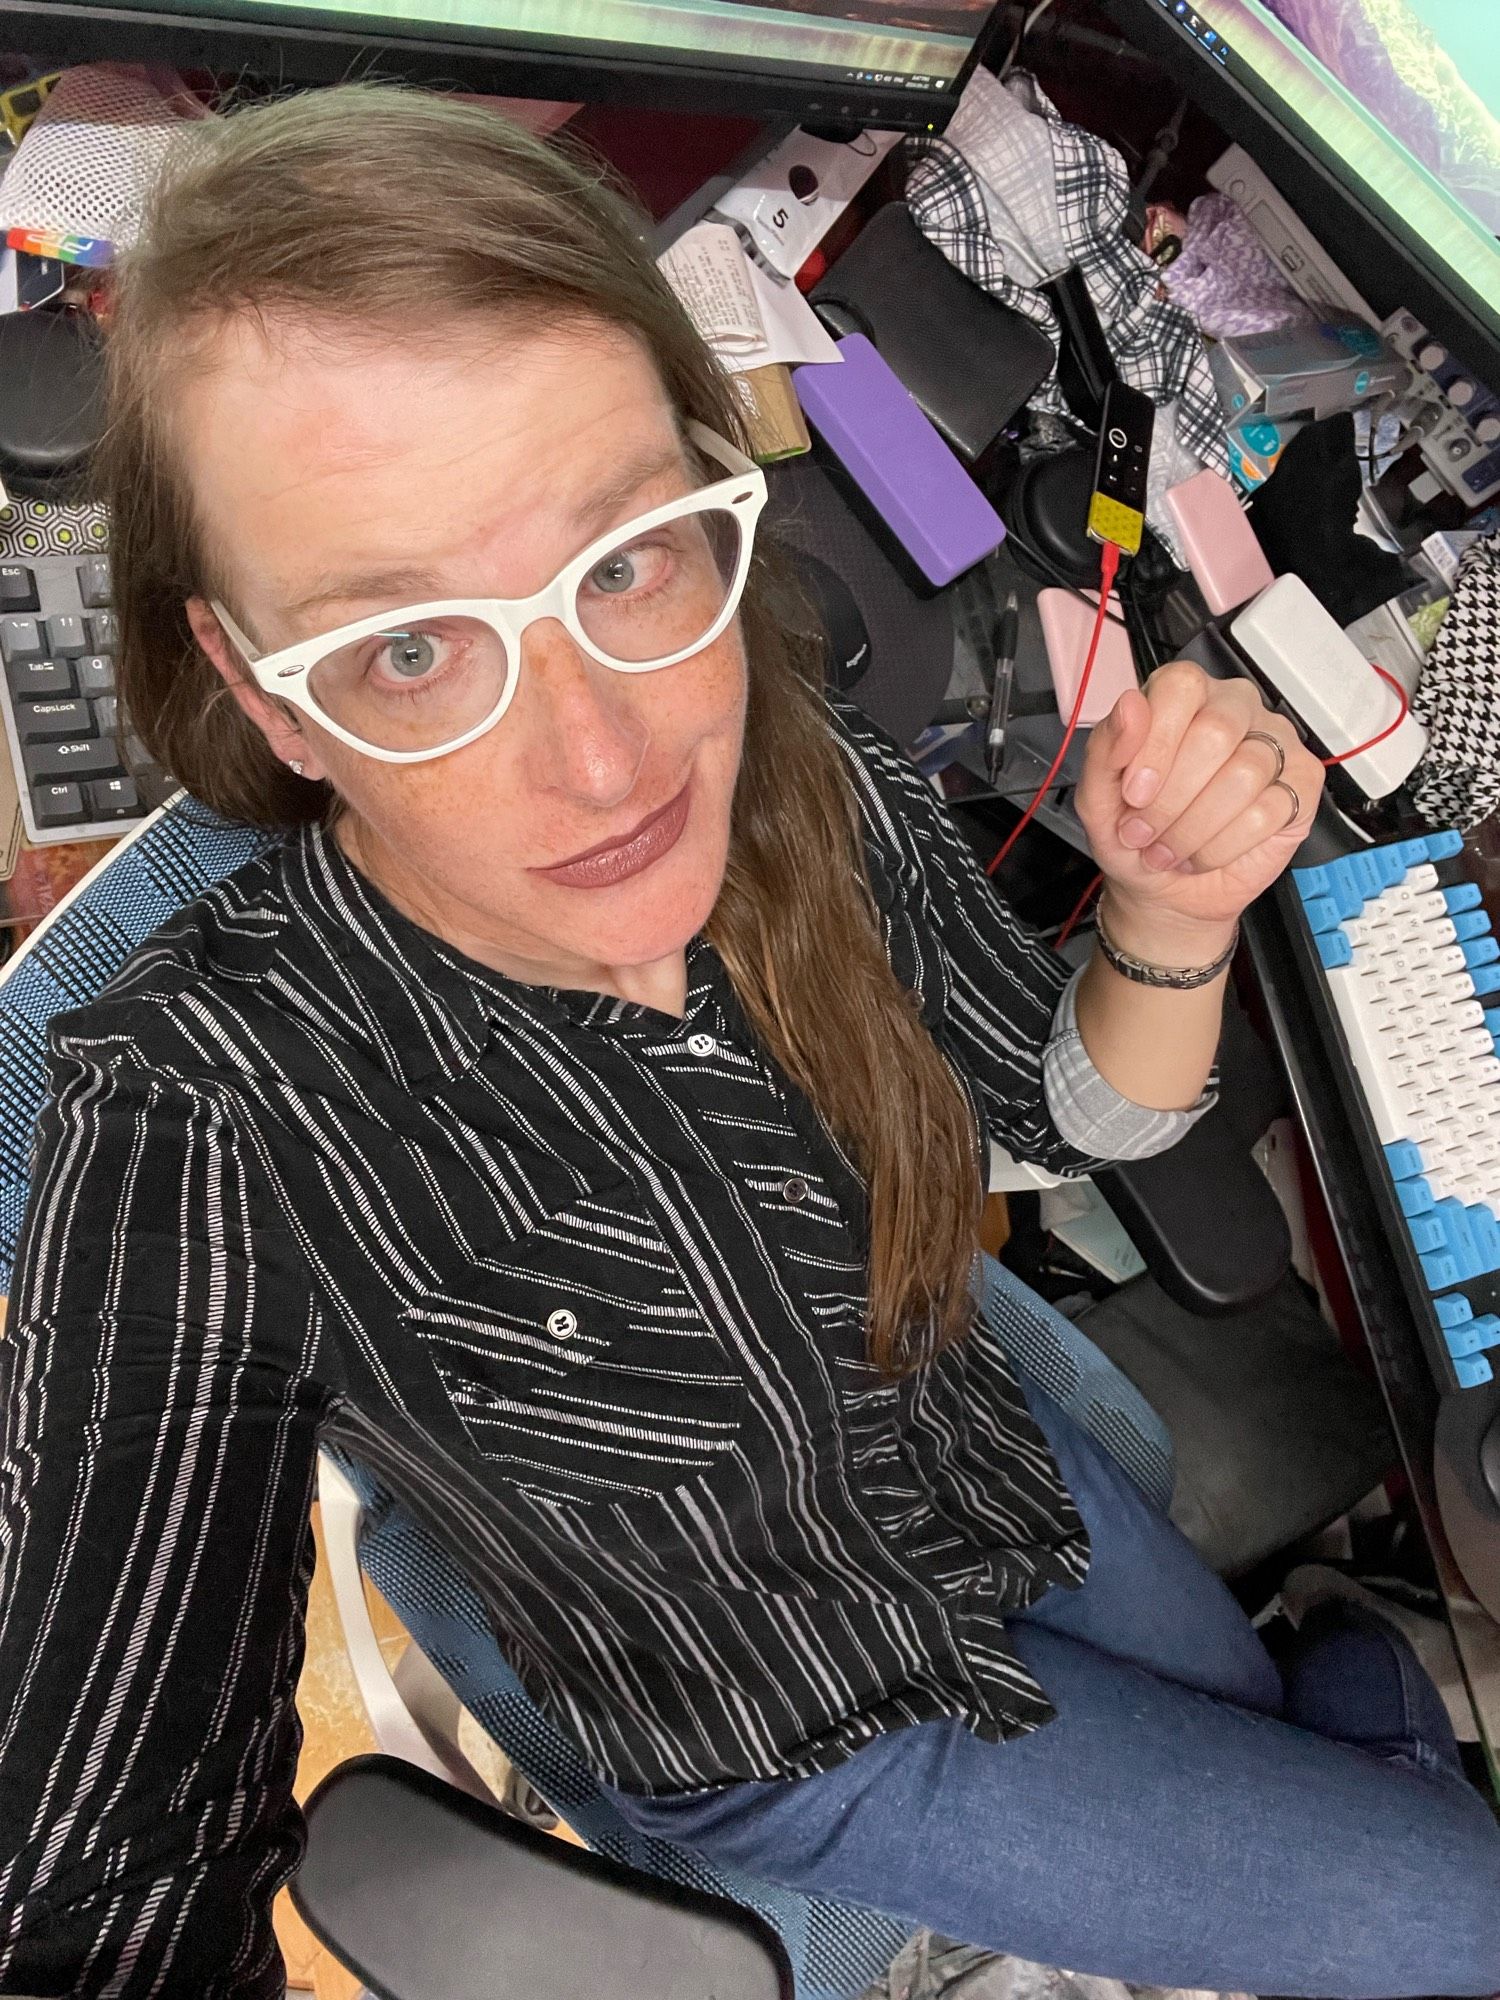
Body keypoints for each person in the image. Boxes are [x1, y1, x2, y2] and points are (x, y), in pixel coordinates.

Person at [0, 85, 1495, 2000]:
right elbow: (99, 1868)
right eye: (408, 647)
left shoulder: (796, 779)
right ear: (262, 696)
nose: (607, 765)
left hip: (969, 1438)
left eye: (621, 563)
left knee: (1293, 1747)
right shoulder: (205, 1111)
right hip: (800, 1722)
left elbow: (1061, 1113)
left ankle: (1338, 1742)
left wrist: (1170, 920)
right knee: (1462, 1910)